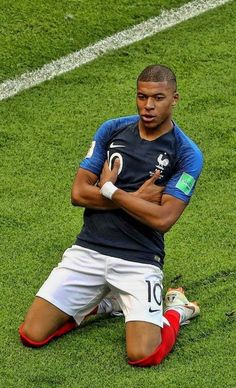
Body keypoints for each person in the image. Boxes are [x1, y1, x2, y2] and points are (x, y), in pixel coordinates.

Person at [19, 64, 203, 367]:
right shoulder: (112, 129)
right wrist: (134, 199)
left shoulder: (186, 153)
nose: (148, 106)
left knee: (143, 355)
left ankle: (175, 311)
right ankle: (108, 303)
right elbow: (78, 194)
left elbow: (163, 219)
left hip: (139, 259)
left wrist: (108, 189)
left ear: (175, 99)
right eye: (142, 97)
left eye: (158, 98)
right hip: (88, 250)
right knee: (31, 334)